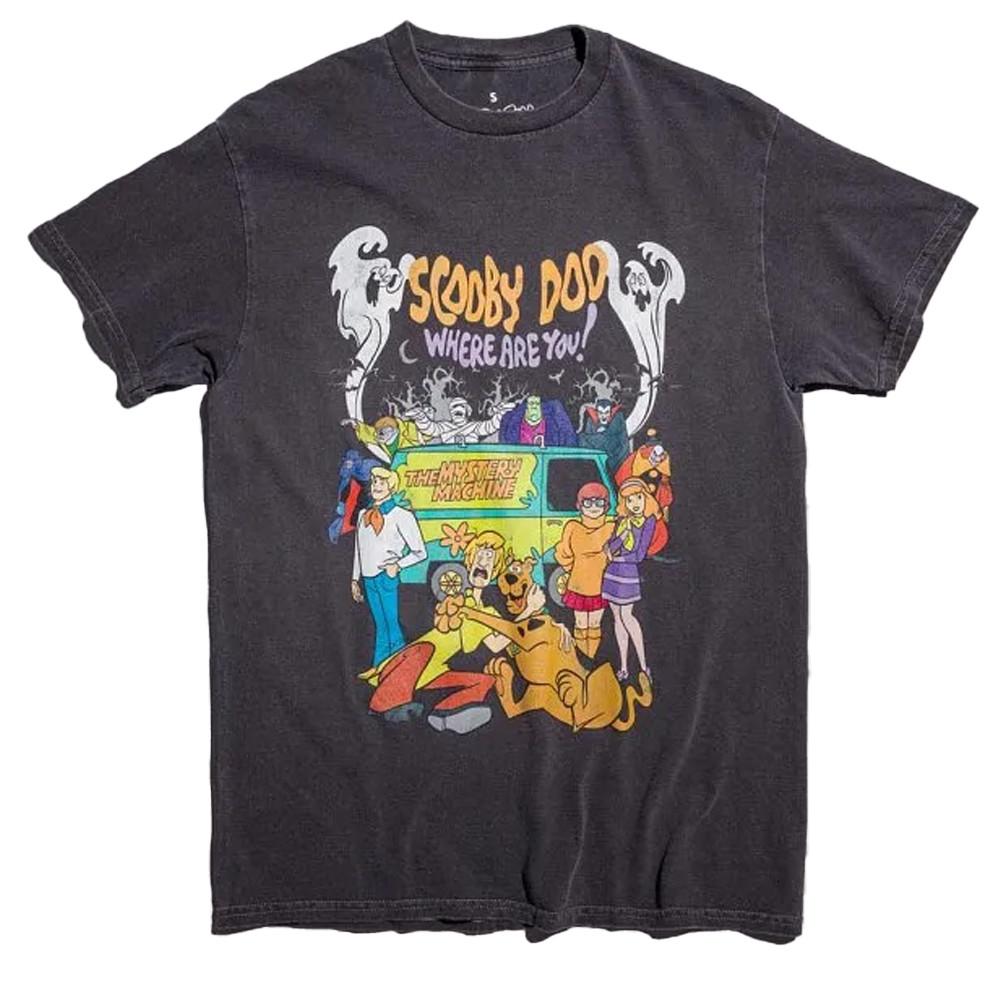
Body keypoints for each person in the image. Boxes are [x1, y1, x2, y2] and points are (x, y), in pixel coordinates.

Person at [358, 530, 511, 733]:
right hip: (412, 662)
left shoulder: (489, 614)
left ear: (496, 570)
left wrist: (526, 615)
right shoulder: (456, 599)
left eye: (490, 559)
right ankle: (387, 704)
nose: (483, 563)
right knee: (423, 650)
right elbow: (444, 624)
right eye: (480, 556)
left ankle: (445, 712)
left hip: (435, 671)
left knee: (485, 681)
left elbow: (497, 644)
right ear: (470, 561)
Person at [352, 467, 426, 664]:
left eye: (382, 482)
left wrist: (398, 565)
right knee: (380, 625)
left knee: (392, 625)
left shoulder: (402, 515)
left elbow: (420, 551)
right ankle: (381, 667)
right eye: (374, 481)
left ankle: (399, 667)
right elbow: (359, 549)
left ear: (391, 486)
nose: (376, 485)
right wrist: (354, 579)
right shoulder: (363, 515)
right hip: (368, 579)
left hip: (386, 577)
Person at [602, 478, 660, 680]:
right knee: (617, 618)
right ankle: (624, 667)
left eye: (638, 498)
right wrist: (620, 537)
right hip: (613, 573)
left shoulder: (648, 521)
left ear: (646, 498)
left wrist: (618, 555)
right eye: (629, 500)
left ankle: (643, 666)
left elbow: (639, 554)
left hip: (628, 573)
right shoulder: (622, 521)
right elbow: (611, 547)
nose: (635, 503)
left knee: (627, 616)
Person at [554, 482, 615, 657]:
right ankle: (582, 660)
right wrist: (571, 569)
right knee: (580, 624)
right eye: (588, 502)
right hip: (578, 584)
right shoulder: (573, 527)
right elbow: (563, 552)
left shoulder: (611, 527)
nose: (593, 507)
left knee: (595, 625)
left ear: (606, 505)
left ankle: (591, 658)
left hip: (601, 585)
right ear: (579, 505)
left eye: (599, 502)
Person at [405, 397, 512, 444]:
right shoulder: (444, 427)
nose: (458, 409)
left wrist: (501, 414)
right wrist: (421, 417)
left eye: (461, 406)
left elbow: (490, 426)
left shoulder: (474, 427)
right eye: (454, 407)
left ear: (467, 411)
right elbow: (430, 428)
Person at [342, 413, 426, 463]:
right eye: (379, 431)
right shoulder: (379, 436)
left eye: (383, 431)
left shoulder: (407, 432)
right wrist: (353, 422)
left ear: (394, 430)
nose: (380, 434)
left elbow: (422, 432)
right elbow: (367, 431)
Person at [499, 394, 577, 447]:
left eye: (537, 404)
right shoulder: (509, 425)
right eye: (531, 403)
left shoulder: (557, 424)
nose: (534, 407)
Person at [578, 396, 629, 471]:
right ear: (597, 413)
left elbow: (623, 445)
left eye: (606, 412)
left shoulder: (617, 421)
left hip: (615, 463)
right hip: (595, 465)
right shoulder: (591, 422)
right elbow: (585, 446)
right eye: (601, 413)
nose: (603, 416)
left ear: (610, 413)